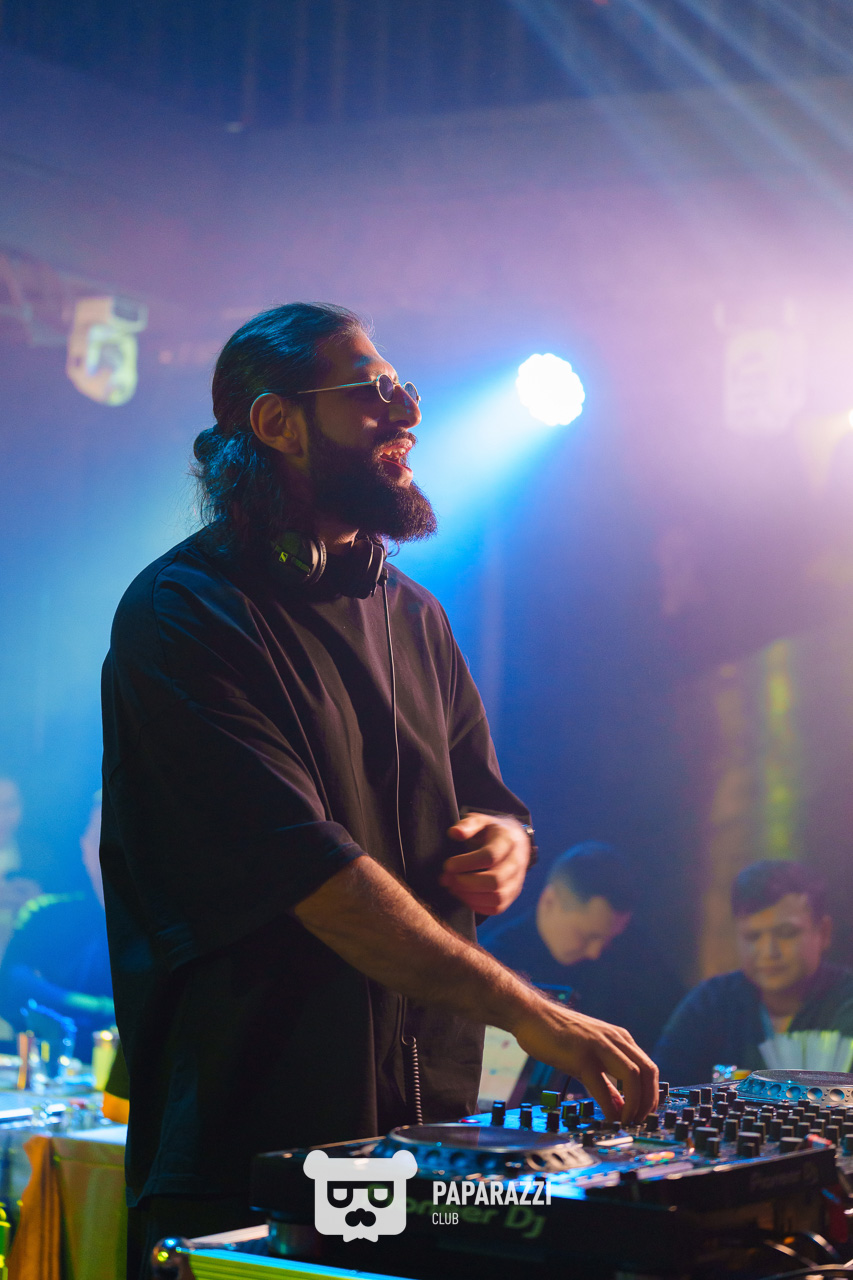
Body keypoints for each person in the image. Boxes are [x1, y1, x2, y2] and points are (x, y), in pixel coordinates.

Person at [100, 303, 657, 1275]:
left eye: (403, 387)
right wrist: (532, 1012)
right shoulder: (182, 615)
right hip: (250, 1157)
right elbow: (315, 877)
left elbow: (494, 802)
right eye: (372, 390)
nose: (407, 412)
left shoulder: (416, 617)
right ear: (277, 423)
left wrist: (506, 845)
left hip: (426, 1144)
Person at [654, 859, 853, 1084]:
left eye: (786, 933)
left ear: (823, 932)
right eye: (752, 936)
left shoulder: (847, 1004)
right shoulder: (710, 1004)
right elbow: (665, 1085)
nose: (769, 951)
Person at [481, 842, 683, 1050]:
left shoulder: (630, 956)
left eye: (609, 939)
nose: (595, 953)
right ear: (549, 901)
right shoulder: (494, 963)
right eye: (587, 936)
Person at [0, 790, 114, 1059]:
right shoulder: (47, 915)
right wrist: (106, 1009)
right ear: (84, 847)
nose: (109, 852)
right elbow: (13, 988)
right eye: (100, 837)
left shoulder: (168, 928)